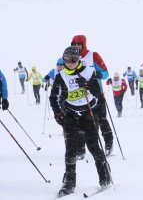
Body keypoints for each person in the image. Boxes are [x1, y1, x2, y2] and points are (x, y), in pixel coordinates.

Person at [49, 46, 111, 197]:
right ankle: (69, 183)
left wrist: (88, 85)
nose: (70, 63)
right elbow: (54, 98)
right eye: (67, 59)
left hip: (88, 113)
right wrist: (58, 114)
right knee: (71, 149)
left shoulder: (88, 72)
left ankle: (105, 176)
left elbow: (98, 93)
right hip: (70, 115)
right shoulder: (61, 76)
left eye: (74, 59)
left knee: (93, 146)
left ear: (78, 60)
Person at [71, 35, 113, 156]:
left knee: (101, 119)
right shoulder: (71, 58)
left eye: (79, 44)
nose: (76, 47)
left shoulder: (93, 55)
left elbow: (105, 73)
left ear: (83, 45)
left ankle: (108, 142)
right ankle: (82, 149)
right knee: (83, 122)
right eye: (74, 45)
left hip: (95, 92)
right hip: (80, 95)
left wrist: (95, 74)